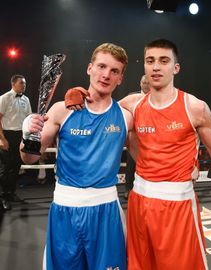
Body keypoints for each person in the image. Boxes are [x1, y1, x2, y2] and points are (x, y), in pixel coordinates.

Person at [64, 39, 211, 270]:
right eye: (150, 61)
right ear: (144, 67)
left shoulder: (195, 107)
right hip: (140, 201)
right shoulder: (132, 105)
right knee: (139, 266)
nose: (156, 67)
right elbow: (101, 104)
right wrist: (80, 94)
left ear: (175, 67)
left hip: (177, 204)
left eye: (163, 61)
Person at [20, 43, 134, 270]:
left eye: (114, 71)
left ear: (120, 78)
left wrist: (186, 163)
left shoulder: (125, 117)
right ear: (89, 68)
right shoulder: (61, 110)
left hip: (106, 210)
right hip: (65, 208)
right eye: (101, 66)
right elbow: (29, 159)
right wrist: (27, 135)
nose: (106, 75)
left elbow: (146, 159)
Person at [0, 74, 32, 211]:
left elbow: (29, 119)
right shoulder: (4, 98)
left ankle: (11, 193)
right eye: (21, 83)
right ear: (13, 84)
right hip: (7, 134)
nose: (24, 86)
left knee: (16, 166)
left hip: (21, 135)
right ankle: (2, 196)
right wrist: (2, 139)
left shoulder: (26, 99)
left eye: (24, 83)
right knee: (5, 168)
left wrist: (28, 138)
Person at [124, 75, 150, 199]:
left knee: (148, 163)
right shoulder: (131, 97)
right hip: (134, 134)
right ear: (140, 83)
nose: (145, 84)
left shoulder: (156, 97)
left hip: (151, 136)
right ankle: (128, 189)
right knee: (131, 164)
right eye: (143, 82)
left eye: (147, 82)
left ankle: (147, 190)